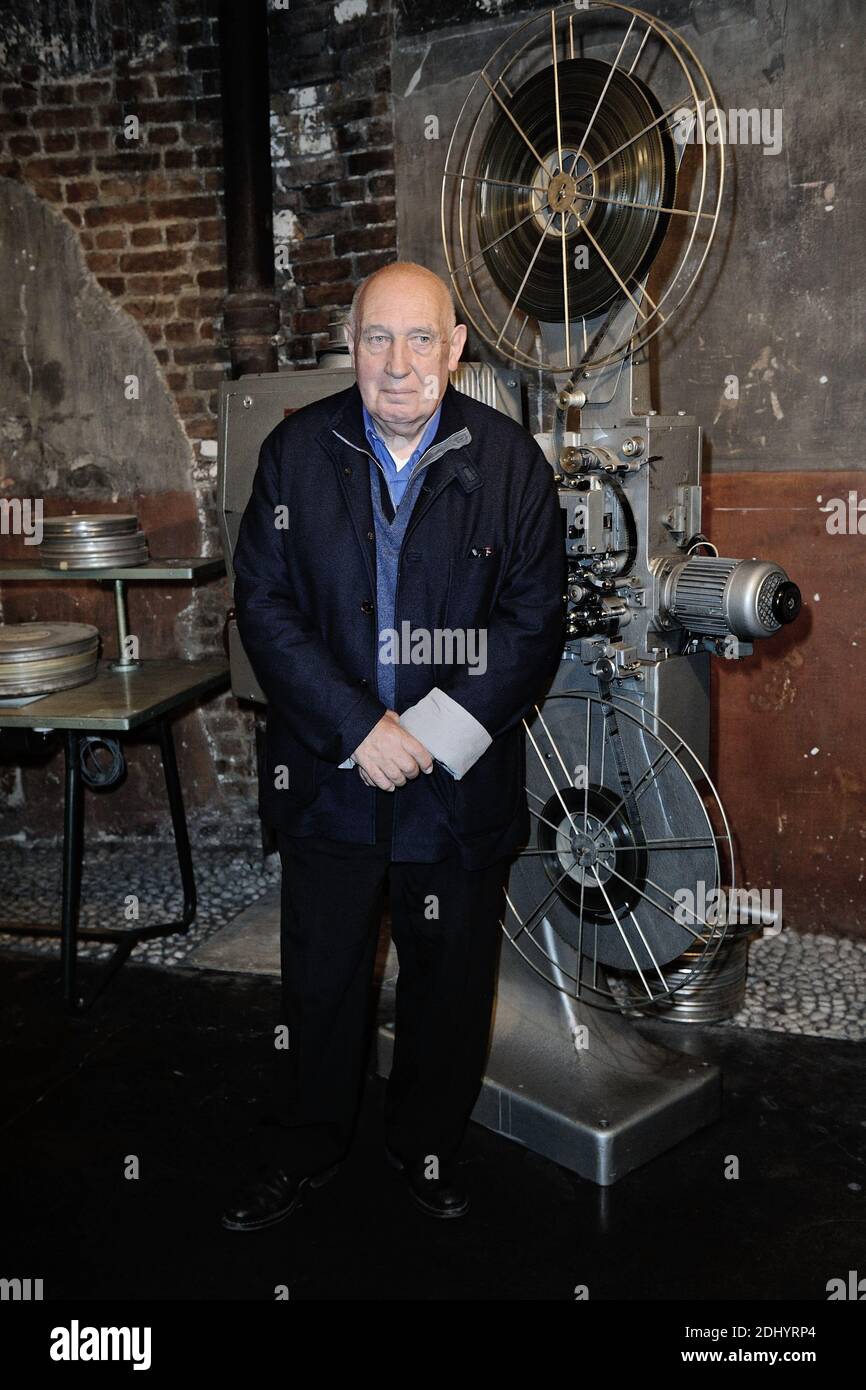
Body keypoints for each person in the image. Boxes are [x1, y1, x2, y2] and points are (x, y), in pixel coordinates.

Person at [222, 261, 564, 1230]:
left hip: (451, 787)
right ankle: (303, 1145)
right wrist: (355, 728)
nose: (400, 363)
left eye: (422, 340)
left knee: (448, 990)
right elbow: (264, 605)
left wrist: (426, 733)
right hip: (332, 778)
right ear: (351, 347)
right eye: (379, 338)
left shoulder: (509, 466)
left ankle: (422, 1147)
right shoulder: (294, 456)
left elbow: (531, 624)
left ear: (456, 349)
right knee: (320, 981)